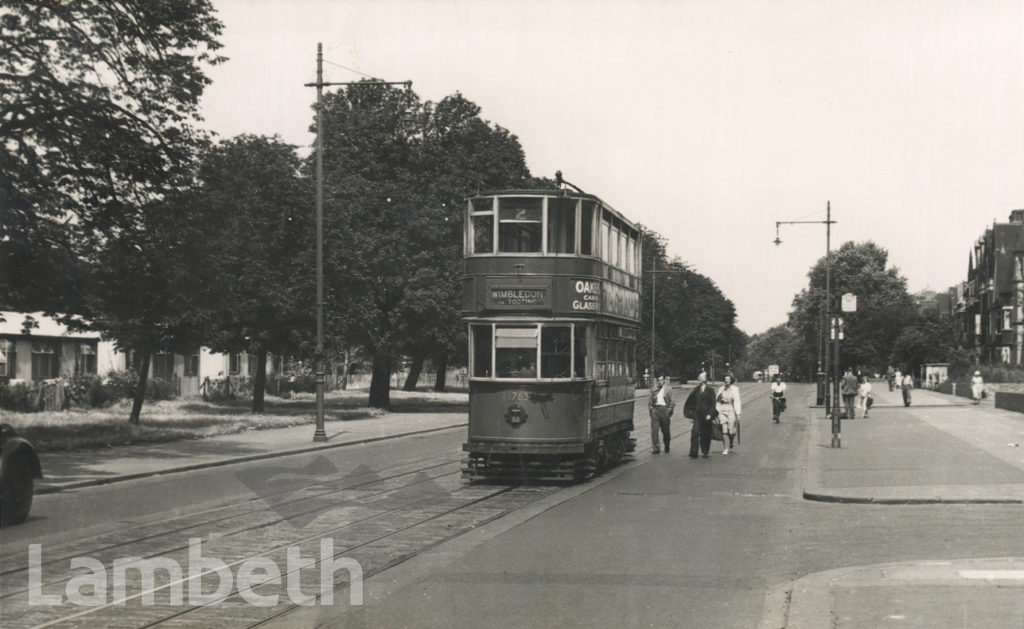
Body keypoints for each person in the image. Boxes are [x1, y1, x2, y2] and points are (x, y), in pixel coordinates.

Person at [684, 372, 717, 458]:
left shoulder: (710, 390)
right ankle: (693, 452)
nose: (698, 379)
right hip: (697, 416)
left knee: (705, 434)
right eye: (698, 377)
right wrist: (690, 415)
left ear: (705, 379)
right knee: (694, 433)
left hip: (706, 416)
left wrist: (710, 414)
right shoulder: (696, 390)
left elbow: (713, 404)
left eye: (700, 377)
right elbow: (691, 403)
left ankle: (705, 451)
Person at [716, 373, 741, 454]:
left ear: (731, 380)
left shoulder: (735, 389)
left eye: (728, 379)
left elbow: (737, 401)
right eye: (725, 379)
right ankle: (725, 448)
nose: (726, 380)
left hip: (731, 409)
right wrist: (717, 411)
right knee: (724, 430)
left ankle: (731, 441)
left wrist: (738, 413)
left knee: (731, 431)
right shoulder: (721, 389)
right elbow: (717, 401)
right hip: (722, 410)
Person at [648, 375, 674, 453]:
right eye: (658, 380)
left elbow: (672, 401)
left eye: (661, 380)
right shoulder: (653, 390)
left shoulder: (668, 389)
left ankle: (667, 445)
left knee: (665, 430)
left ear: (664, 381)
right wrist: (651, 409)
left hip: (664, 409)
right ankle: (656, 449)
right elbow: (650, 401)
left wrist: (669, 410)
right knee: (654, 431)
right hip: (655, 410)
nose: (660, 382)